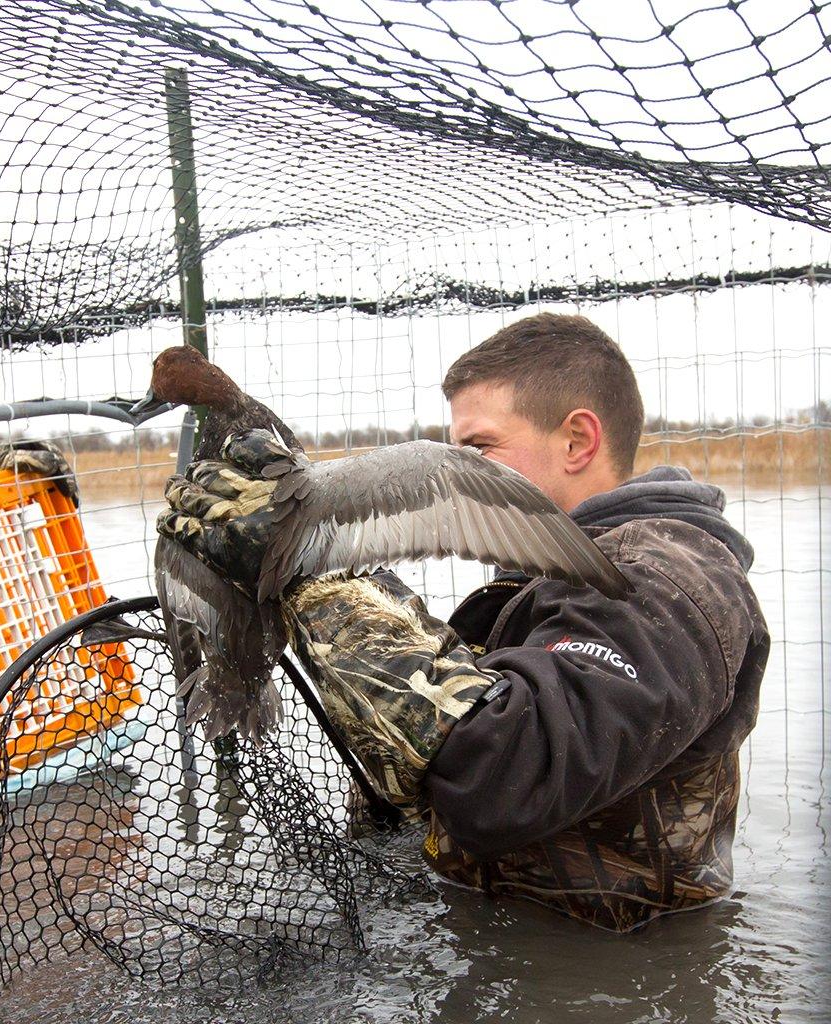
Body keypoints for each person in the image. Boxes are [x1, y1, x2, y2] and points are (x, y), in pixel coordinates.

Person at [157, 312, 769, 931]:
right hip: (492, 936)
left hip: (608, 969)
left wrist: (309, 583)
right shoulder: (532, 581)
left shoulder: (669, 580)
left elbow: (507, 773)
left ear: (578, 442)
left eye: (478, 448)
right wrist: (314, 558)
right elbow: (449, 705)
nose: (457, 474)